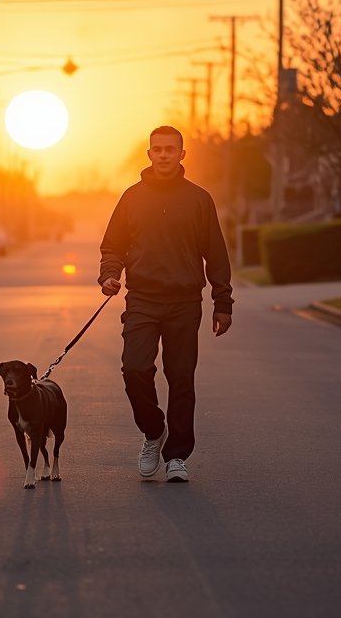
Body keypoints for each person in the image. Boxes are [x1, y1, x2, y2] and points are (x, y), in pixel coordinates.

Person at [98, 125, 233, 483]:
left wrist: (223, 302)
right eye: (157, 149)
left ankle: (176, 456)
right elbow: (113, 245)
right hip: (142, 299)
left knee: (181, 379)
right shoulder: (131, 198)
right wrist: (109, 275)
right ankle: (154, 431)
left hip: (185, 302)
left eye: (170, 149)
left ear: (182, 154)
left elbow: (216, 255)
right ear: (149, 154)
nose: (163, 155)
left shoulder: (199, 200)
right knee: (134, 369)